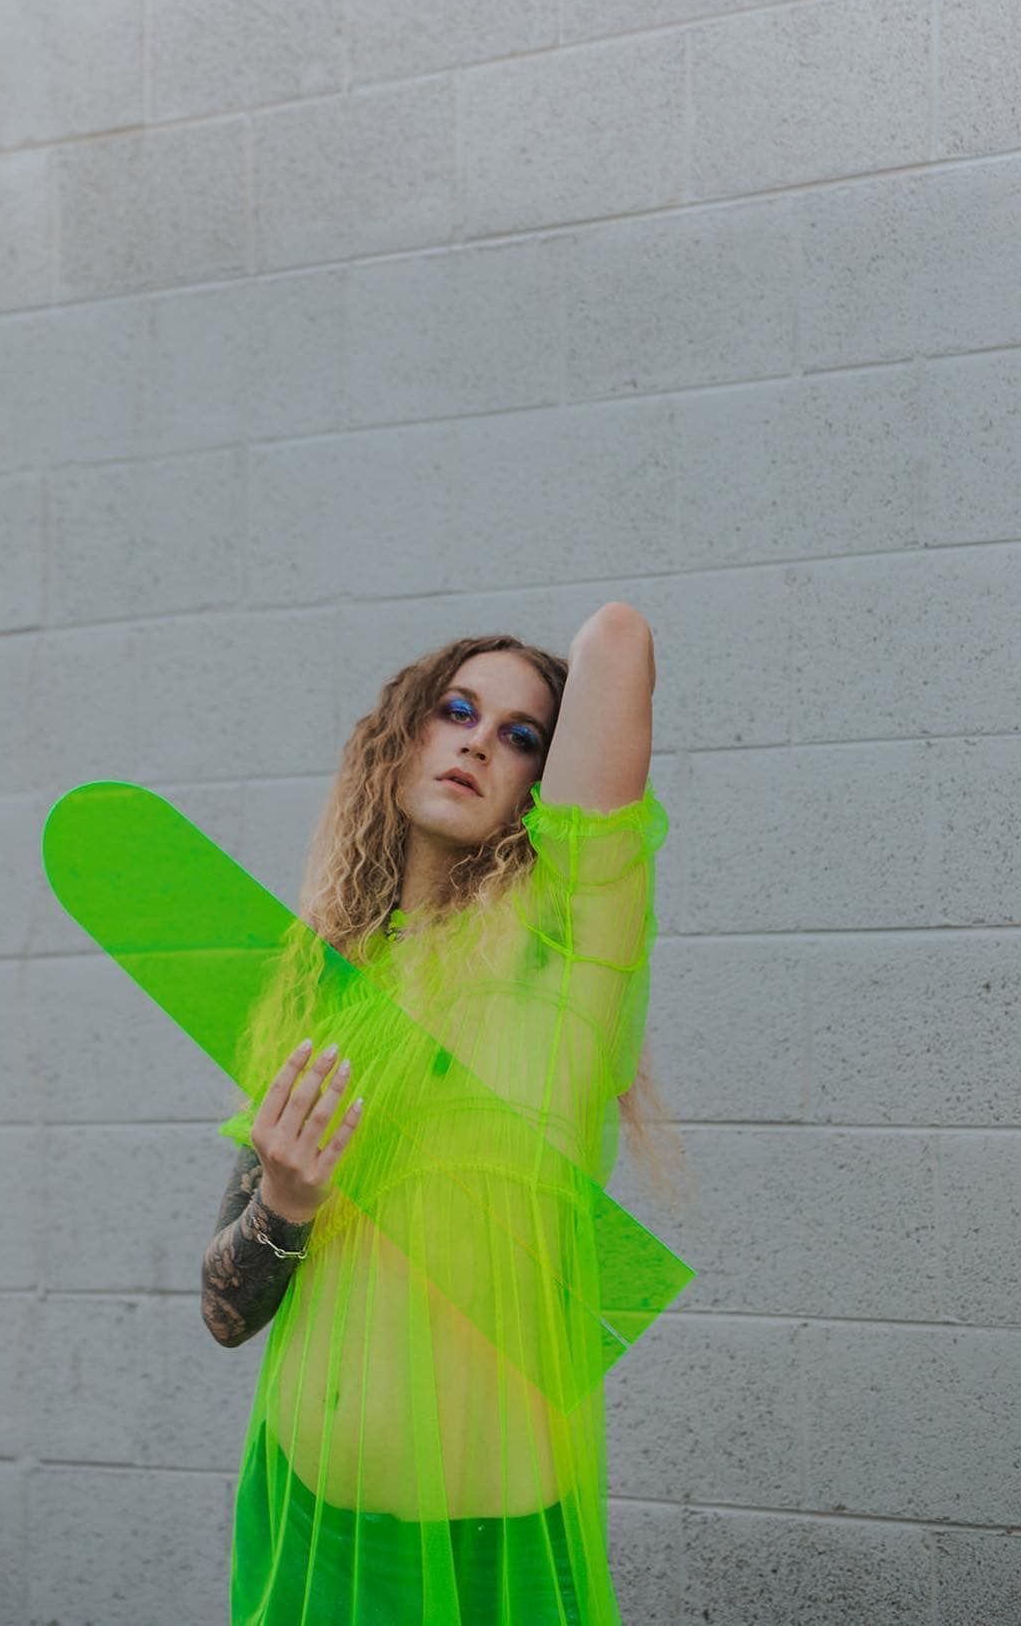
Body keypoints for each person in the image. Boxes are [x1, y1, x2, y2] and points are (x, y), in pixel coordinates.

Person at [200, 609, 685, 1624]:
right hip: (305, 1516)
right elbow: (225, 1312)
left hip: (490, 1550)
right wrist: (285, 1200)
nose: (477, 739)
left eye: (521, 735)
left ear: (541, 784)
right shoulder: (322, 982)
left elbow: (619, 642)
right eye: (455, 710)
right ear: (401, 737)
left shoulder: (564, 946)